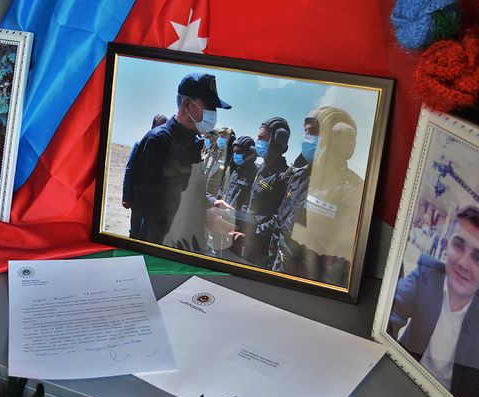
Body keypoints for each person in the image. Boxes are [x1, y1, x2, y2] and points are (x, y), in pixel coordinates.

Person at [389, 206, 479, 397]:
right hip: (403, 389)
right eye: (459, 246)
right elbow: (392, 310)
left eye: (477, 258)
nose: (463, 263)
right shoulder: (426, 274)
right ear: (446, 246)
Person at [130, 73, 231, 244]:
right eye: (209, 107)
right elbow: (149, 203)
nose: (213, 114)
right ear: (187, 105)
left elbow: (191, 190)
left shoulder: (194, 143)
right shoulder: (158, 140)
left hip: (182, 239)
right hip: (156, 240)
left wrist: (212, 203)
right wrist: (203, 216)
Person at [269, 107, 362, 286]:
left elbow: (339, 262)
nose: (306, 138)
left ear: (333, 138)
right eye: (305, 131)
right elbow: (280, 223)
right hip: (277, 272)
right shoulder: (299, 176)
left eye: (312, 132)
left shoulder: (352, 190)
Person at [213, 117, 290, 268]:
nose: (257, 142)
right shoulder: (262, 169)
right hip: (243, 239)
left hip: (258, 248)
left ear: (276, 141)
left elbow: (278, 218)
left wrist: (253, 235)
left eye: (262, 138)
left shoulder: (284, 176)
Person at [122, 114, 167, 238]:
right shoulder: (140, 144)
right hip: (138, 198)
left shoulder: (166, 149)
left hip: (156, 200)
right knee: (135, 231)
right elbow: (130, 170)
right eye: (159, 126)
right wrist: (126, 196)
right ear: (152, 127)